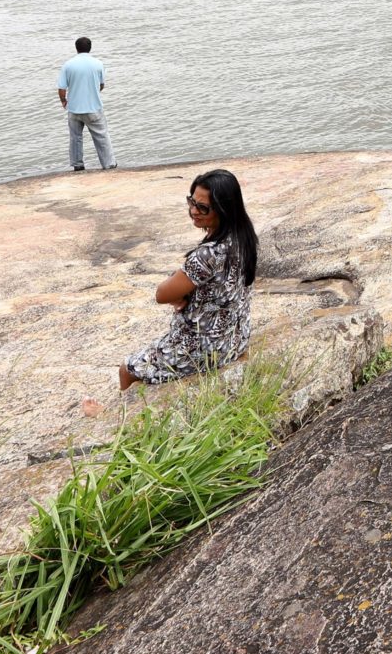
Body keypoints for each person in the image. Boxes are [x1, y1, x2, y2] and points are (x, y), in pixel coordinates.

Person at [119, 168, 258, 390]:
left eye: (202, 207)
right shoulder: (243, 237)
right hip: (234, 337)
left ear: (224, 209)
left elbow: (162, 294)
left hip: (203, 349)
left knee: (127, 369)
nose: (194, 211)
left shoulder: (207, 254)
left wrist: (179, 292)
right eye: (191, 202)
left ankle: (121, 418)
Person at [56, 36, 115, 172]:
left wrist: (64, 101)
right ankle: (108, 163)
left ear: (76, 48)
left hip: (74, 109)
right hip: (93, 107)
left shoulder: (68, 65)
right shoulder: (98, 63)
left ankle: (78, 164)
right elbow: (101, 85)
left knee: (75, 138)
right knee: (101, 136)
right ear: (90, 48)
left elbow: (61, 89)